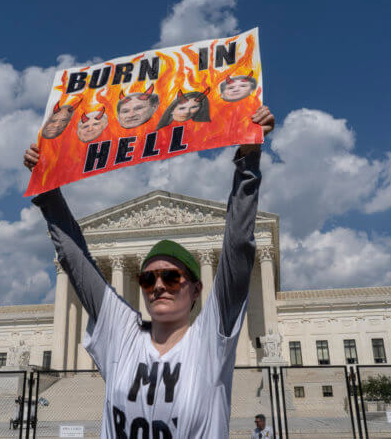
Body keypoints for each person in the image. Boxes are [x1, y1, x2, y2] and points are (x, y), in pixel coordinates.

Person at [23, 105, 274, 438]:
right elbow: (74, 258)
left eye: (172, 277)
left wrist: (248, 159)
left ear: (197, 289)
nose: (159, 286)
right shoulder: (122, 336)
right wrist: (46, 184)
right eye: (148, 278)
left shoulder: (210, 341)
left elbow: (237, 248)